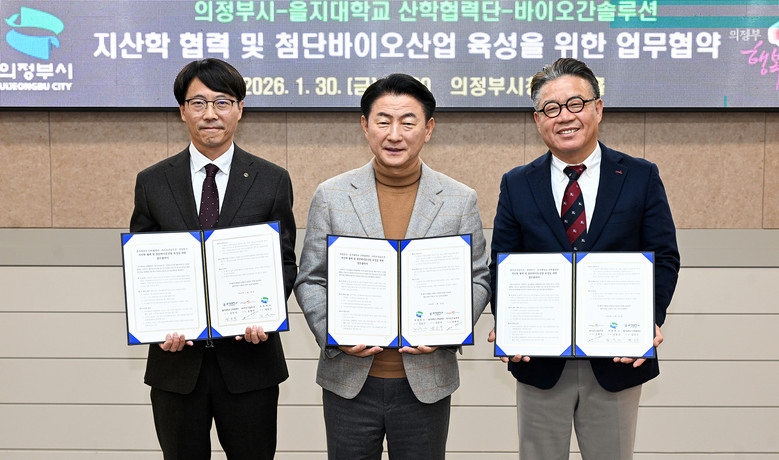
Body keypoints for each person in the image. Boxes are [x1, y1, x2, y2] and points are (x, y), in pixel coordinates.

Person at [488, 58, 680, 460]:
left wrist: (649, 319)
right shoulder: (517, 183)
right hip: (540, 360)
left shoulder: (640, 176)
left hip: (617, 357)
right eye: (551, 108)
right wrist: (508, 323)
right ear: (538, 120)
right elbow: (503, 264)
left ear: (598, 108)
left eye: (575, 103)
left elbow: (664, 256)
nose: (564, 116)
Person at [294, 73, 490, 459]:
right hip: (348, 381)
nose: (394, 134)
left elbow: (478, 278)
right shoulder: (331, 195)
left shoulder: (459, 199)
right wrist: (334, 333)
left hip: (426, 381)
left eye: (407, 122)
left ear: (428, 129)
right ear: (365, 126)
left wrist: (448, 329)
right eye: (383, 121)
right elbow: (310, 278)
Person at [129, 58, 296, 459]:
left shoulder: (271, 179)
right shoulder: (152, 182)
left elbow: (285, 262)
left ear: (239, 109)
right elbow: (144, 267)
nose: (210, 114)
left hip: (250, 363)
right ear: (182, 111)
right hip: (175, 365)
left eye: (222, 102)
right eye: (198, 103)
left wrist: (266, 313)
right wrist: (158, 324)